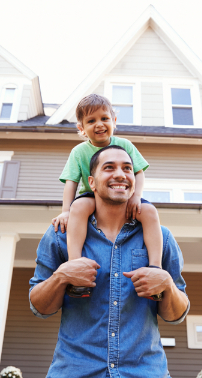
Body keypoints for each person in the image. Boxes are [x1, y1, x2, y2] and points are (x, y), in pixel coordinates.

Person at [30, 146, 190, 378]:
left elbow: (177, 314)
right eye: (109, 167)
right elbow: (39, 306)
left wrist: (167, 285)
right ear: (91, 182)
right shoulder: (61, 235)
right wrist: (62, 276)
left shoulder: (160, 237)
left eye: (127, 168)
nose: (121, 174)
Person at [51, 94, 163, 297]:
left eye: (104, 118)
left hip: (123, 195)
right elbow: (71, 183)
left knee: (149, 211)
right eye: (91, 121)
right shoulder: (79, 152)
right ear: (81, 128)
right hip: (91, 195)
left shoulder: (125, 145)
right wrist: (66, 211)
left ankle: (155, 268)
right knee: (79, 208)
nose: (99, 124)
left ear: (114, 121)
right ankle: (75, 266)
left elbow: (138, 172)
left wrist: (136, 196)